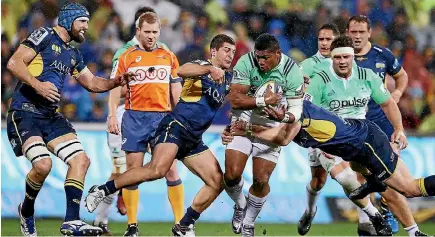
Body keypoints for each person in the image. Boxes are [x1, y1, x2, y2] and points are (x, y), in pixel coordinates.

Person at [85, 34, 236, 237]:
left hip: (193, 138)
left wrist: (231, 126)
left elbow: (235, 103)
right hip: (175, 127)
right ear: (214, 51)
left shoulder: (227, 79)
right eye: (227, 50)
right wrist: (209, 69)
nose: (230, 55)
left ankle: (184, 225)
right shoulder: (202, 66)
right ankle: (103, 189)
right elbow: (182, 70)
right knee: (156, 170)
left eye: (233, 52)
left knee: (217, 181)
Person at [5, 3, 134, 236]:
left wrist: (115, 82)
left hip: (49, 116)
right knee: (43, 165)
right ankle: (26, 210)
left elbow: (93, 83)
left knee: (81, 160)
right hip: (25, 112)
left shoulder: (73, 53)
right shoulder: (44, 35)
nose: (86, 27)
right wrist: (38, 85)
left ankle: (71, 221)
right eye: (82, 21)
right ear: (68, 21)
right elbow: (14, 63)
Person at [224, 100, 435, 237]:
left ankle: (409, 226)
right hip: (357, 148)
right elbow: (273, 131)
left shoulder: (295, 116)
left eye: (274, 107)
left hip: (368, 145)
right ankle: (374, 183)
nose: (272, 112)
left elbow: (282, 138)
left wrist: (249, 130)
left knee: (408, 189)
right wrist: (243, 129)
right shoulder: (289, 113)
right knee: (354, 170)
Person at [304, 36, 429, 237]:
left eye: (346, 57)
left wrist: (399, 128)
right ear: (332, 59)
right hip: (329, 141)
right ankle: (373, 215)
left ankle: (414, 232)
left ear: (353, 57)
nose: (342, 61)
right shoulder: (319, 80)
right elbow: (305, 113)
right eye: (338, 58)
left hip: (363, 137)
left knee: (403, 187)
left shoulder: (367, 75)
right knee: (346, 178)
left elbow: (388, 103)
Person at [95, 7, 184, 236]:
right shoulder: (125, 55)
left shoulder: (168, 55)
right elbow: (116, 86)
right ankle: (128, 225)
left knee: (171, 170)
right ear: (138, 30)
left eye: (155, 31)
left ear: (160, 30)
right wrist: (112, 114)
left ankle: (182, 225)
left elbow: (176, 90)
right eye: (147, 31)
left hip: (162, 118)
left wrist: (183, 116)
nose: (151, 36)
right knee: (129, 171)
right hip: (133, 117)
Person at [297, 24, 383, 236]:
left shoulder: (348, 65)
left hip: (349, 131)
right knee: (318, 181)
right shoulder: (308, 66)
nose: (325, 43)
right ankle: (310, 211)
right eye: (321, 39)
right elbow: (297, 94)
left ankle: (367, 221)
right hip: (319, 131)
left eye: (329, 39)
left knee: (356, 174)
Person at [224, 33, 304, 237]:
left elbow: (297, 109)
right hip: (244, 119)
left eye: (265, 57)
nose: (260, 62)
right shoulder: (246, 61)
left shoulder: (291, 70)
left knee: (261, 180)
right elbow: (234, 100)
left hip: (271, 123)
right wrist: (262, 102)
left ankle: (249, 223)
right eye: (258, 56)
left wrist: (284, 116)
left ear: (278, 54)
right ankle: (241, 205)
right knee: (232, 174)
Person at [347, 15, 409, 234]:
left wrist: (398, 94)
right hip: (357, 122)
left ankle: (388, 209)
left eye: (361, 32)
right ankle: (369, 217)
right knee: (361, 172)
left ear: (369, 33)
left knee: (390, 169)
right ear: (347, 33)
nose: (357, 36)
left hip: (382, 120)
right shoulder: (343, 57)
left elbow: (402, 76)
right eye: (353, 32)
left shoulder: (382, 55)